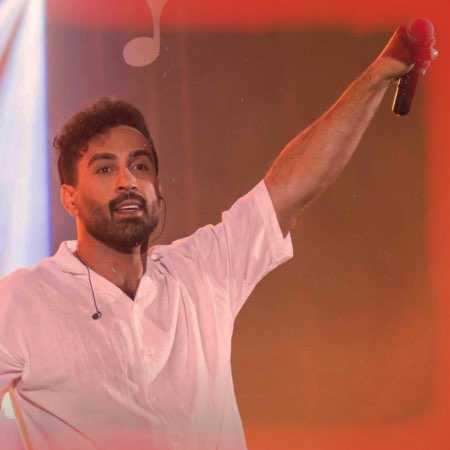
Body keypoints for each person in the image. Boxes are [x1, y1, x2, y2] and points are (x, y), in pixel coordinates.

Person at [0, 26, 437, 450]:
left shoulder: (199, 272)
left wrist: (381, 71)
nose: (127, 181)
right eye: (104, 168)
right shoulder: (23, 301)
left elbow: (291, 187)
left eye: (140, 166)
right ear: (69, 198)